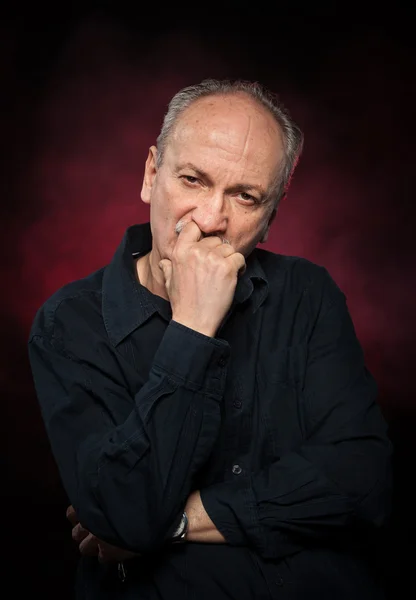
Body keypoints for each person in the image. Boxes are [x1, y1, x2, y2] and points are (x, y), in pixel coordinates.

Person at [28, 78, 392, 599]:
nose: (210, 219)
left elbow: (364, 482)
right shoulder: (68, 323)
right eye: (193, 180)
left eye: (245, 196)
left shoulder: (308, 294)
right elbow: (125, 516)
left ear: (271, 217)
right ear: (152, 175)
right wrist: (193, 326)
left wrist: (175, 521)